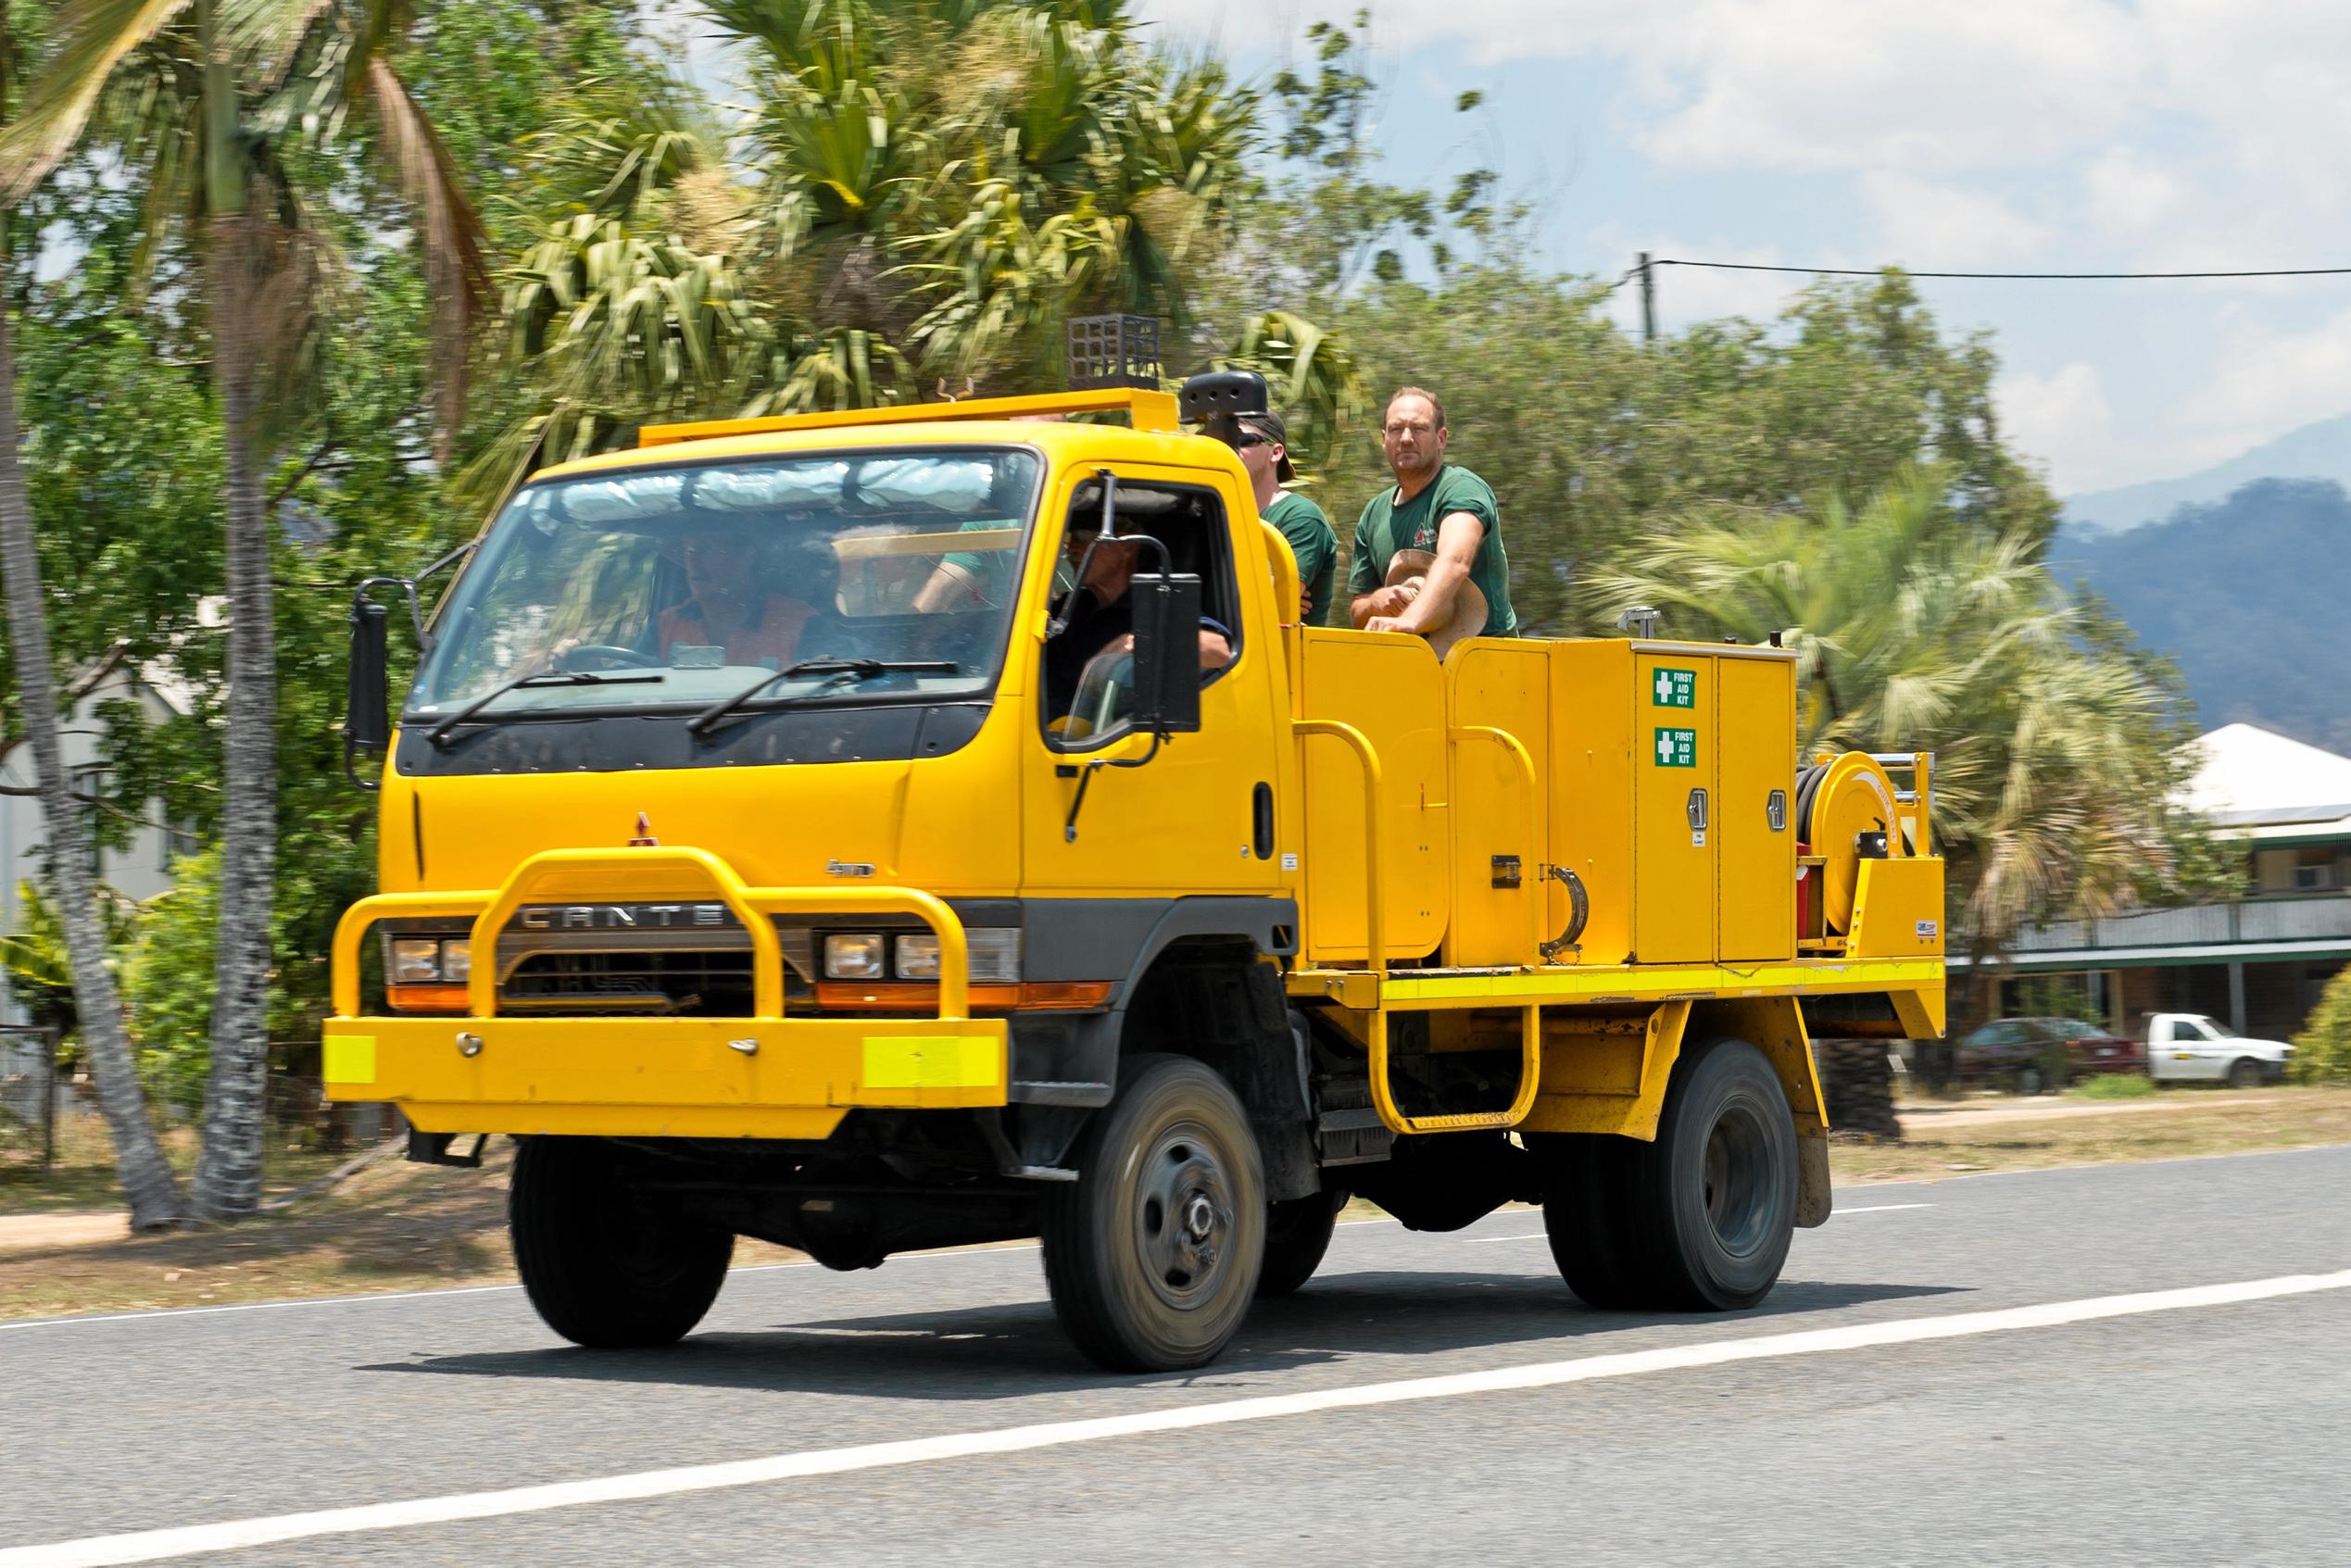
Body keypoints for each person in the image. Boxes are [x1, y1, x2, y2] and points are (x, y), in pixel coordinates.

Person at [1349, 386, 1516, 654]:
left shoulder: (1461, 488)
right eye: (1395, 429)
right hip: (1411, 665)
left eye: (1418, 428)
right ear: (1383, 439)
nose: (1405, 438)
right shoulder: (1373, 513)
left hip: (1484, 662)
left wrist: (1408, 621)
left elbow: (1455, 560)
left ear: (1441, 438)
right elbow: (1358, 608)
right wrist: (1377, 602)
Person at [1044, 523, 1232, 722]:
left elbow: (1219, 651)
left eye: (1082, 538)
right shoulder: (1068, 608)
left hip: (1105, 739)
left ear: (1126, 546)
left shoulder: (1156, 602)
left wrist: (1138, 643)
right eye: (1071, 540)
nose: (1071, 549)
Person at [656, 521, 815, 668]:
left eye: (707, 548)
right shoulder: (667, 625)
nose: (692, 560)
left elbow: (826, 689)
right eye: (687, 550)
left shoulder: (801, 624)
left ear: (746, 556)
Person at [1232, 410, 1337, 624]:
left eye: (1244, 440)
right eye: (1226, 442)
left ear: (1276, 452)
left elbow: (1274, 597)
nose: (1232, 450)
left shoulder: (1301, 516)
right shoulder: (1221, 516)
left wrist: (1271, 595)